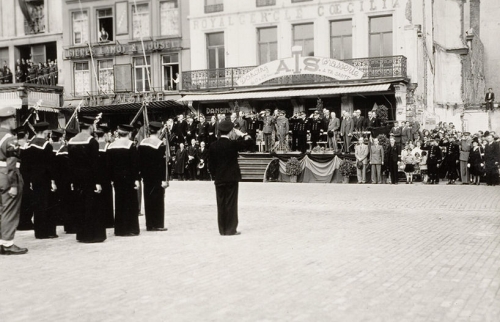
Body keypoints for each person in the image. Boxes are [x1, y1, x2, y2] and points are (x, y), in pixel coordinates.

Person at [209, 120, 253, 236]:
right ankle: (230, 229)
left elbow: (210, 165)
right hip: (231, 178)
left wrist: (215, 175)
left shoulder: (213, 145)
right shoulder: (233, 144)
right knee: (231, 204)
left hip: (219, 178)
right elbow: (250, 143)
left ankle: (222, 229)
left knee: (221, 203)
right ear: (230, 131)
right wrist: (243, 134)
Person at [67, 117, 106, 243]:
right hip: (89, 178)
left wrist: (72, 180)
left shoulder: (71, 141)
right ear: (90, 127)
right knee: (91, 206)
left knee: (80, 205)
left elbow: (70, 164)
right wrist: (98, 182)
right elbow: (95, 164)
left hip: (77, 179)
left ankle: (82, 234)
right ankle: (92, 235)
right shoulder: (92, 141)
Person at [22, 122, 58, 239]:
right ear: (45, 131)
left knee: (37, 204)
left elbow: (25, 166)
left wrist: (29, 180)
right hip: (44, 179)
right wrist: (53, 180)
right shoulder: (47, 146)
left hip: (33, 179)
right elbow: (50, 166)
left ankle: (39, 232)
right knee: (46, 204)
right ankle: (47, 231)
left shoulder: (28, 145)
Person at [0, 106, 28, 255]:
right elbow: (12, 162)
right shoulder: (10, 139)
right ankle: (7, 243)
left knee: (1, 210)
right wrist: (13, 185)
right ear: (10, 120)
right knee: (9, 210)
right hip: (6, 177)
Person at [107, 124, 140, 237]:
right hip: (129, 178)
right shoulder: (130, 145)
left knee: (119, 201)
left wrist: (111, 178)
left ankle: (119, 229)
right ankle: (130, 228)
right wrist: (136, 179)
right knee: (130, 202)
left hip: (117, 178)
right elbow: (134, 164)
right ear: (129, 133)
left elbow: (109, 165)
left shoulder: (111, 146)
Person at [138, 121, 169, 232]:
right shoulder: (160, 144)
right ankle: (157, 224)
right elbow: (162, 164)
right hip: (156, 177)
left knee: (148, 199)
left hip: (146, 177)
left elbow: (139, 161)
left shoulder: (142, 143)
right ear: (159, 130)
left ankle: (149, 224)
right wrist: (164, 180)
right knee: (158, 201)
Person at [96, 128, 114, 229]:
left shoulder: (94, 146)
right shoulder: (108, 146)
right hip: (106, 176)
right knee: (107, 198)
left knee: (99, 198)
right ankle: (109, 221)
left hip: (97, 175)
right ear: (105, 135)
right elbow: (109, 163)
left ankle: (101, 219)